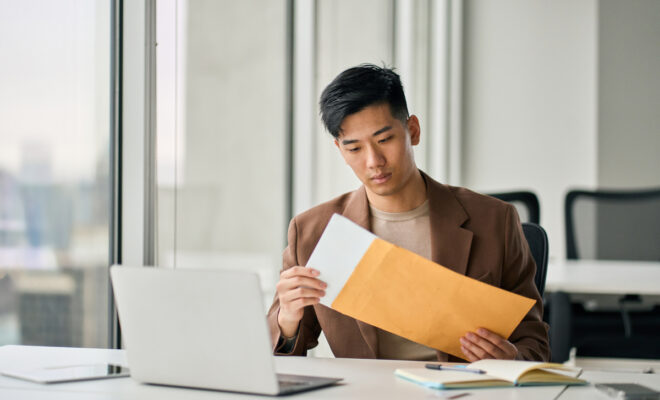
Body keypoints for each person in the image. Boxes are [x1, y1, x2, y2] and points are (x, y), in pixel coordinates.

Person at [266, 64, 550, 362]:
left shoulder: (495, 221)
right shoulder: (313, 231)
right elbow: (284, 356)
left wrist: (512, 359)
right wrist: (287, 320)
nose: (373, 161)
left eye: (385, 140)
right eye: (354, 149)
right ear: (339, 150)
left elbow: (535, 342)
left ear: (412, 130)